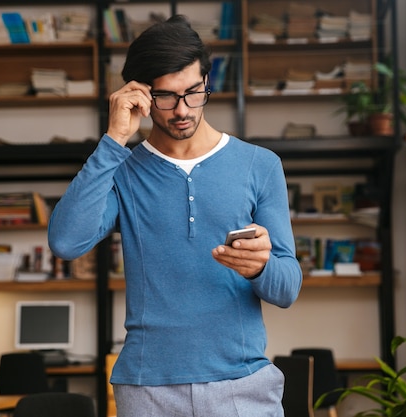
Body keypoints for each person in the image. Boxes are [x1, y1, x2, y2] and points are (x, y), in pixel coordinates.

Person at [48, 14, 302, 417]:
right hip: (147, 390)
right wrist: (115, 139)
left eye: (193, 92)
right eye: (165, 96)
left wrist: (260, 267)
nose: (182, 110)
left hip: (241, 386)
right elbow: (65, 241)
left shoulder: (260, 165)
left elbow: (287, 289)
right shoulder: (122, 171)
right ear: (140, 95)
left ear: (206, 80)